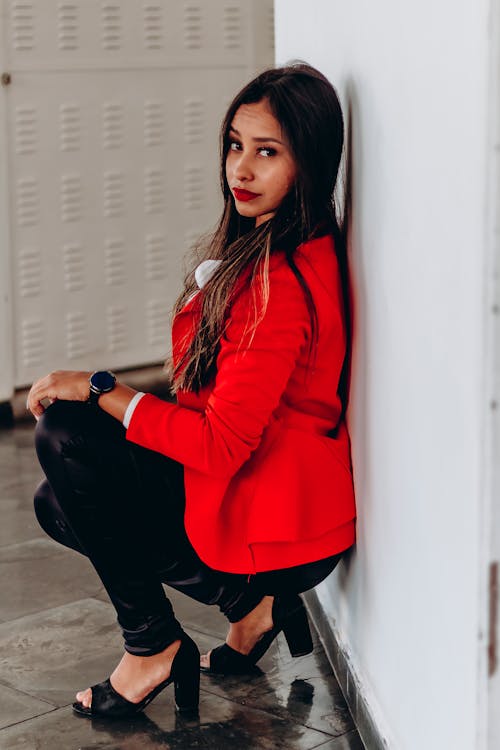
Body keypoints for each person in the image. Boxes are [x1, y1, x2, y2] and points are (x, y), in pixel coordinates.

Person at [27, 62, 357, 720]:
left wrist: (102, 389)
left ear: (311, 162)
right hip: (273, 500)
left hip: (277, 523)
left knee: (66, 437)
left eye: (268, 152)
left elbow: (219, 446)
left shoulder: (280, 284)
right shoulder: (282, 247)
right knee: (58, 498)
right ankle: (249, 606)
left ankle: (152, 646)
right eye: (236, 145)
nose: (241, 168)